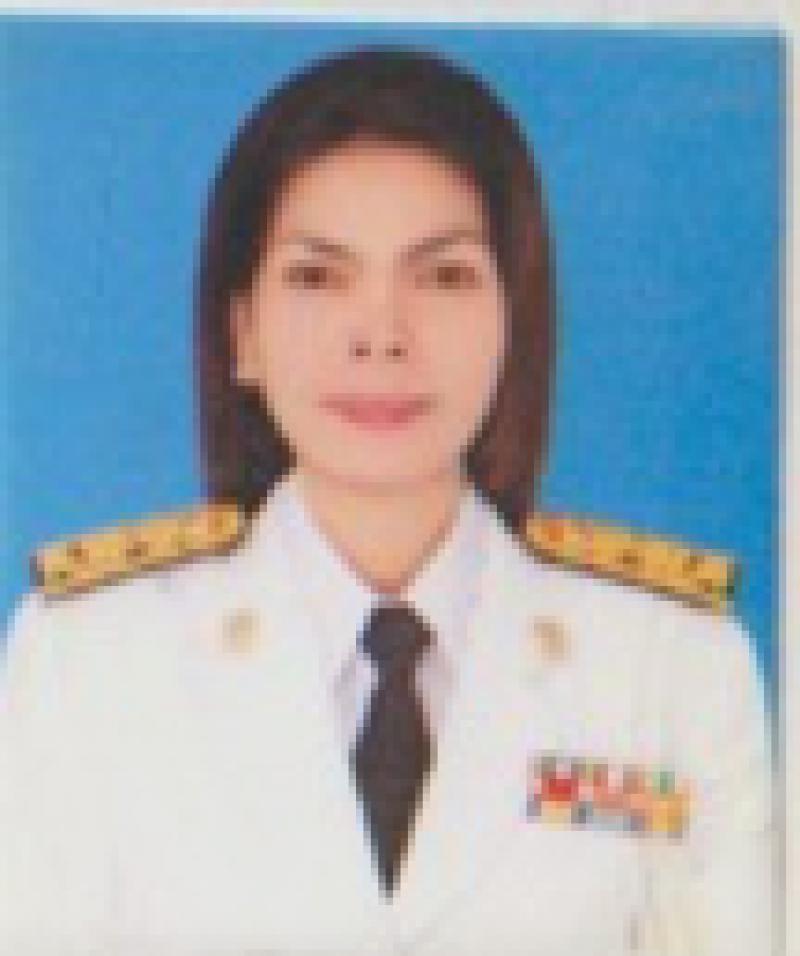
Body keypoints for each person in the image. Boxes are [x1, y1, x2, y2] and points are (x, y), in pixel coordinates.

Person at [0, 45, 773, 956]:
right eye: (318, 276)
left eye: (443, 276)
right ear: (241, 332)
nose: (381, 336)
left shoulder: (669, 666)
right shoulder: (90, 662)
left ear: (514, 323)